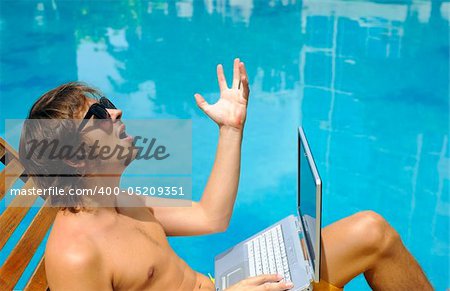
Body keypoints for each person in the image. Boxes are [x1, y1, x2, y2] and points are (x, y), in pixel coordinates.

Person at [18, 59, 432, 291]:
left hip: (221, 285)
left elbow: (210, 217)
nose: (116, 112)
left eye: (106, 102)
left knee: (372, 232)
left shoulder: (122, 200)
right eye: (96, 115)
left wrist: (231, 129)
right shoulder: (76, 256)